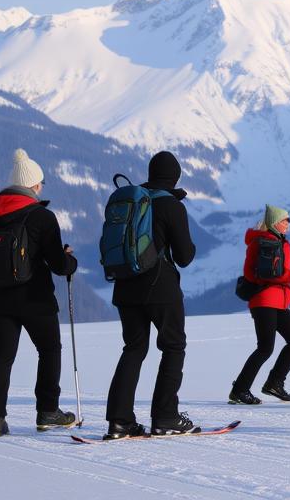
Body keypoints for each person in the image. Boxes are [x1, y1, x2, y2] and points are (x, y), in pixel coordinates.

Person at [0, 149, 79, 437]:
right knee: (49, 350)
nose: (42, 188)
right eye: (40, 183)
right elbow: (58, 264)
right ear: (32, 185)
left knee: (1, 357)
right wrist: (71, 262)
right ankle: (48, 412)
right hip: (36, 299)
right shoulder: (42, 217)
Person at [104, 151, 197, 439]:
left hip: (125, 286)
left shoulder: (131, 201)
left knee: (133, 349)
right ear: (175, 177)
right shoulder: (171, 206)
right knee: (173, 347)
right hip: (161, 288)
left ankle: (119, 421)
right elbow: (184, 256)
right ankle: (166, 416)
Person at [229, 204, 290, 405]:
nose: (288, 223)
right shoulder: (266, 243)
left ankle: (274, 383)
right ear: (275, 223)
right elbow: (270, 274)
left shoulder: (271, 242)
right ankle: (240, 390)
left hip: (275, 301)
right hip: (266, 301)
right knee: (266, 348)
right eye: (286, 220)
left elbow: (253, 273)